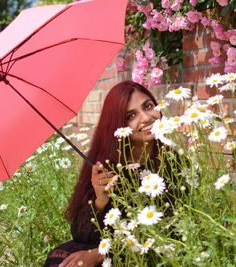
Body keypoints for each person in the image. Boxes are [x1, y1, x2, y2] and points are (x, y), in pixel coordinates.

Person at [44, 81, 166, 267]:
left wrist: (99, 255)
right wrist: (100, 200)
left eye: (148, 106)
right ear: (118, 125)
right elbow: (80, 235)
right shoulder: (107, 165)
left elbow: (164, 233)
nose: (146, 118)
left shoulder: (172, 164)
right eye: (131, 115)